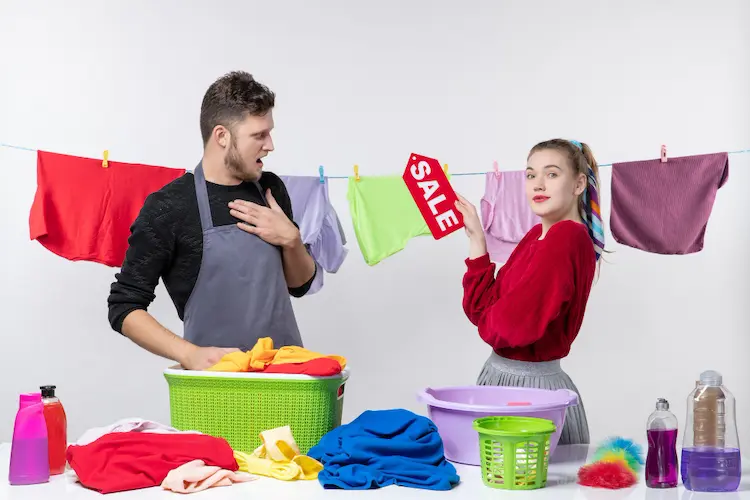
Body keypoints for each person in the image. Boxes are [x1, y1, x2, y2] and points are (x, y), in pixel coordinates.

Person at [107, 71, 317, 371]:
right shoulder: (170, 207)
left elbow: (299, 284)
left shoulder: (271, 190)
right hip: (213, 386)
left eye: (269, 132)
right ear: (222, 136)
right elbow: (123, 306)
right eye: (259, 135)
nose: (270, 145)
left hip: (286, 379)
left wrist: (291, 239)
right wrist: (187, 354)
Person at [454, 139, 604, 444]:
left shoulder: (566, 238)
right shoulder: (538, 234)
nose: (538, 184)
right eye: (530, 175)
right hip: (504, 383)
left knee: (523, 486)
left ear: (578, 184)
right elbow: (479, 308)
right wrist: (477, 240)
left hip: (531, 395)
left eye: (551, 174)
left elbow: (511, 327)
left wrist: (493, 316)